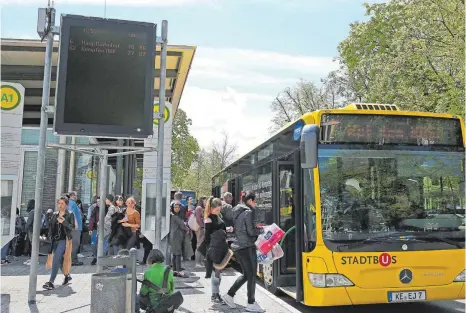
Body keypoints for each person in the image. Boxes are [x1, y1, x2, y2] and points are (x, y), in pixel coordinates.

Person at [222, 191, 264, 312]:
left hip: (238, 246)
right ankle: (251, 303)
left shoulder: (237, 211)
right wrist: (262, 231)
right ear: (250, 200)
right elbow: (251, 232)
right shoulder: (248, 212)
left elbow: (243, 229)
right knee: (251, 276)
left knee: (247, 274)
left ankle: (229, 295)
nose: (255, 203)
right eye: (254, 201)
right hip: (247, 246)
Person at [204, 197, 233, 303]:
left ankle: (216, 294)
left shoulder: (218, 216)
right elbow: (207, 237)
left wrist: (226, 229)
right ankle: (215, 295)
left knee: (218, 272)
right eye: (216, 209)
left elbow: (219, 228)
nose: (218, 211)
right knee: (216, 272)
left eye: (219, 209)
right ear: (211, 208)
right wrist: (209, 251)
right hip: (214, 249)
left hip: (221, 247)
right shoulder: (208, 219)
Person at [43, 196, 75, 290]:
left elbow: (72, 228)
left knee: (56, 259)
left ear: (66, 205)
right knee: (60, 261)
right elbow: (49, 227)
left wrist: (64, 222)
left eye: (62, 204)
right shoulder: (55, 214)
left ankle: (51, 282)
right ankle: (67, 275)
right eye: (59, 203)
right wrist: (47, 216)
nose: (60, 205)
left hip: (64, 241)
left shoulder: (70, 214)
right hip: (54, 241)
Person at [169, 201, 189, 277]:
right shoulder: (174, 216)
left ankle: (174, 270)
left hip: (175, 236)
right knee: (177, 253)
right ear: (172, 208)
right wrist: (187, 229)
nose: (177, 208)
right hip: (176, 236)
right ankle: (179, 271)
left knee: (175, 254)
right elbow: (181, 224)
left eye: (178, 207)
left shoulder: (173, 215)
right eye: (175, 207)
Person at [68, 191, 83, 266]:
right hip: (75, 228)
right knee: (75, 244)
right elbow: (72, 214)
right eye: (76, 195)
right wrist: (75, 224)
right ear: (73, 196)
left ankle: (73, 260)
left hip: (76, 228)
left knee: (74, 244)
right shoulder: (72, 203)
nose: (77, 197)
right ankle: (73, 261)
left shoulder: (72, 203)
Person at [194, 197, 206, 267]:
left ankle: (200, 262)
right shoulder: (199, 208)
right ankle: (198, 262)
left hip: (202, 228)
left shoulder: (201, 208)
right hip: (200, 229)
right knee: (199, 245)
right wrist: (202, 227)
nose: (206, 202)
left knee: (201, 245)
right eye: (205, 201)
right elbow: (198, 219)